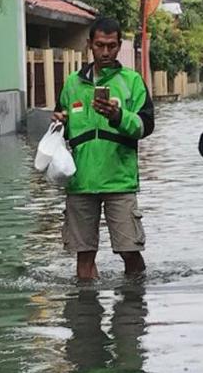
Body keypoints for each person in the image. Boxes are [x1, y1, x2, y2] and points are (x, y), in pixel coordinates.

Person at [53, 17, 155, 280]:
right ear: (90, 44)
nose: (106, 52)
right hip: (81, 182)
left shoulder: (132, 81)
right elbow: (62, 124)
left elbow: (145, 126)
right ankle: (87, 304)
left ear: (119, 45)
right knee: (83, 256)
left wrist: (118, 116)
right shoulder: (72, 83)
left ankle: (134, 299)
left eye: (112, 45)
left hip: (119, 182)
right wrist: (59, 122)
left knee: (129, 251)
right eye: (100, 45)